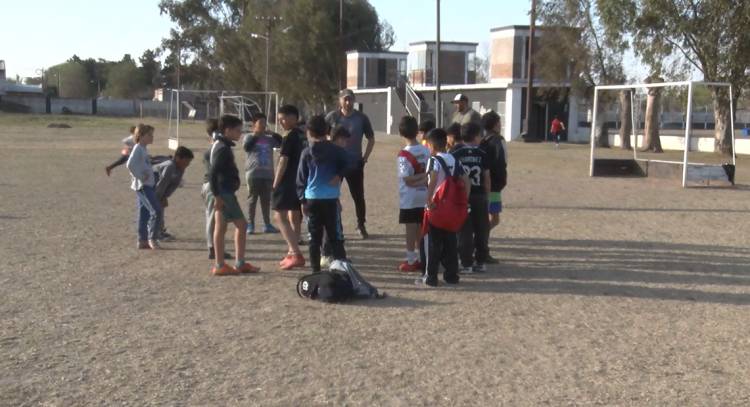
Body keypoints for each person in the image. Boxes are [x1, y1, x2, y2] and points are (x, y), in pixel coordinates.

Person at [208, 115, 261, 276]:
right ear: (227, 130)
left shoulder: (220, 144)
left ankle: (222, 264)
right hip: (224, 193)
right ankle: (236, 263)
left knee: (221, 227)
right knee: (242, 225)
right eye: (238, 130)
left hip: (224, 192)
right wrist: (217, 195)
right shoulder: (222, 148)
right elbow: (213, 173)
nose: (240, 134)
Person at [297, 115, 350, 274]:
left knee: (314, 237)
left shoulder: (307, 152)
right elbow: (350, 164)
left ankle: (315, 271)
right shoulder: (336, 151)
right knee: (335, 236)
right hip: (330, 199)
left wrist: (302, 200)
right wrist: (339, 174)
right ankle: (341, 269)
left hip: (312, 199)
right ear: (327, 131)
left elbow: (301, 178)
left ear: (309, 132)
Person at [417, 128, 468, 287]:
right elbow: (466, 180)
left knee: (432, 243)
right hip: (452, 208)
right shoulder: (454, 159)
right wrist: (464, 200)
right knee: (450, 242)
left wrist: (428, 200)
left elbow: (432, 179)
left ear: (431, 145)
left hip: (437, 208)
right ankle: (451, 275)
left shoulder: (434, 160)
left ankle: (430, 276)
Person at [325, 89, 375, 239]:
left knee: (358, 196)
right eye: (345, 99)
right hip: (335, 164)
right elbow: (322, 134)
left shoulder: (361, 118)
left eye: (350, 99)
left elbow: (371, 139)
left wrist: (365, 158)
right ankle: (336, 225)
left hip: (355, 164)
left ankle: (361, 225)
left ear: (354, 100)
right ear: (340, 101)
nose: (348, 102)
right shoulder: (332, 117)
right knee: (332, 195)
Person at [452, 122, 491, 273]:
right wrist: (487, 196)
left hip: (462, 197)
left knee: (464, 231)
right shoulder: (482, 153)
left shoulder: (455, 153)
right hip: (479, 195)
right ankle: (480, 261)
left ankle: (466, 262)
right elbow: (487, 178)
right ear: (476, 137)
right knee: (482, 229)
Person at [273, 105, 308, 270]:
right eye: (279, 118)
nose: (281, 121)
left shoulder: (289, 136)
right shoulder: (303, 135)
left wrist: (276, 182)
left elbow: (283, 161)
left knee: (279, 216)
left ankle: (295, 253)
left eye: (284, 118)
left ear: (294, 117)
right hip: (301, 180)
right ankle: (291, 250)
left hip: (288, 181)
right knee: (294, 214)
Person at [396, 116, 429, 273]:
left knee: (410, 228)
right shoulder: (426, 150)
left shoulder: (403, 155)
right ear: (417, 131)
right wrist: (424, 178)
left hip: (409, 198)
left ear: (401, 133)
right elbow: (429, 172)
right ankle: (423, 257)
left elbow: (407, 179)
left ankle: (411, 258)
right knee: (421, 228)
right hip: (424, 194)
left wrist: (417, 179)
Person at [319, 125, 353, 269]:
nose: (346, 144)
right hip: (326, 197)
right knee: (332, 226)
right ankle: (327, 255)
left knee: (332, 226)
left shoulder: (327, 151)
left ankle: (334, 255)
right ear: (338, 139)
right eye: (344, 140)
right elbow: (331, 180)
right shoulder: (334, 154)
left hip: (324, 196)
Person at [243, 112, 282, 235]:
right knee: (252, 200)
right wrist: (256, 135)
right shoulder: (249, 137)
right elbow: (247, 147)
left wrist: (273, 133)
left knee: (266, 200)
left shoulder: (269, 140)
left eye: (265, 123)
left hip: (267, 174)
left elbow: (281, 142)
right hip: (253, 173)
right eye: (261, 123)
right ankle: (250, 224)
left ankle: (267, 224)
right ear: (254, 124)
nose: (263, 125)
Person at [126, 124, 161, 250]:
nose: (152, 137)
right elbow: (129, 164)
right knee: (156, 210)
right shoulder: (138, 148)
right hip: (143, 186)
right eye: (149, 135)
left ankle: (142, 240)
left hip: (147, 185)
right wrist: (140, 176)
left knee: (144, 213)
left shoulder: (143, 149)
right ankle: (152, 238)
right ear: (140, 136)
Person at [201, 119, 233, 260]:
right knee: (213, 218)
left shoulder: (214, 146)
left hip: (211, 184)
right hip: (212, 185)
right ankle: (213, 248)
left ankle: (215, 247)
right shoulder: (217, 147)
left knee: (216, 218)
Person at [480, 111, 508, 264]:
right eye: (499, 122)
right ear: (495, 125)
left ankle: (480, 241)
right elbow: (502, 162)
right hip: (494, 185)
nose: (500, 124)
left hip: (484, 183)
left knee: (487, 217)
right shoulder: (498, 140)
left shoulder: (483, 140)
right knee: (494, 219)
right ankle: (481, 243)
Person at [152, 146, 194, 241]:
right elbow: (162, 183)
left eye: (189, 162)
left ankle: (160, 231)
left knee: (160, 208)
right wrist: (160, 198)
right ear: (178, 158)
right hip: (150, 186)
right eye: (186, 161)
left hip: (159, 190)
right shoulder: (170, 165)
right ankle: (156, 234)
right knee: (157, 209)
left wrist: (165, 196)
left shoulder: (181, 168)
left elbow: (174, 184)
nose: (188, 164)